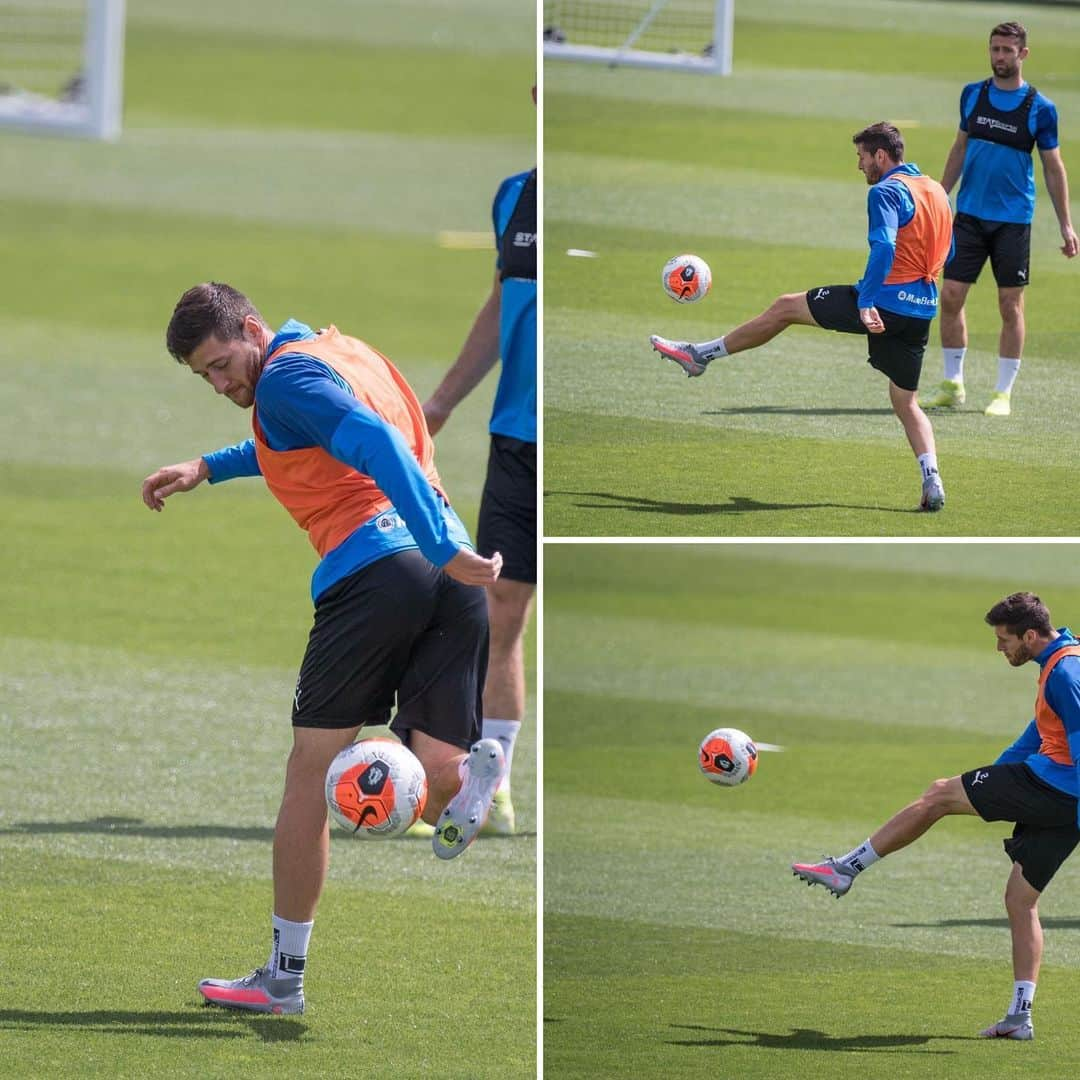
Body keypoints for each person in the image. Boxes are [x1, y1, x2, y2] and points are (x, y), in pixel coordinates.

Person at [141, 282, 507, 1015]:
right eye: (205, 376)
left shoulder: (282, 380)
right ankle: (475, 771)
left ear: (251, 328)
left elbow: (366, 442)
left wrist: (436, 545)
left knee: (308, 777)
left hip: (381, 573)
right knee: (436, 775)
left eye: (221, 363)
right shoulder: (340, 351)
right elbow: (310, 437)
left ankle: (283, 978)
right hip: (449, 578)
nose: (220, 383)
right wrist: (210, 466)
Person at [793, 591, 1080, 1042]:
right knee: (1020, 900)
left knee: (939, 795)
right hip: (1063, 799)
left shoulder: (1064, 672)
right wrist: (996, 774)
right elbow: (1041, 730)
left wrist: (1002, 784)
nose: (999, 648)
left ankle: (845, 868)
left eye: (1004, 640)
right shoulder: (1063, 656)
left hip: (1057, 789)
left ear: (1029, 635)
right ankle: (1020, 1017)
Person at [650, 122, 953, 512]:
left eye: (861, 157)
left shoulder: (886, 191)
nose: (859, 166)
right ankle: (932, 480)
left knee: (785, 308)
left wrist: (867, 302)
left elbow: (884, 246)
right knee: (905, 402)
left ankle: (699, 356)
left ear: (881, 155)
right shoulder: (936, 193)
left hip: (882, 303)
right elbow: (950, 248)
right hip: (921, 310)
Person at [422, 125, 536, 834]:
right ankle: (493, 787)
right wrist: (442, 400)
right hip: (515, 437)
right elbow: (502, 303)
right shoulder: (514, 196)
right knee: (500, 611)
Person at [925, 21, 1077, 417]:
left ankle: (1003, 392)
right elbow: (959, 148)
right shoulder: (973, 95)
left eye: (1008, 50)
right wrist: (941, 195)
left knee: (1010, 304)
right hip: (969, 216)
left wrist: (1066, 223)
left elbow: (1053, 168)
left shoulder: (1040, 109)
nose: (1000, 57)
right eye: (995, 49)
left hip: (1012, 221)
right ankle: (952, 384)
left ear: (1023, 54)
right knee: (951, 296)